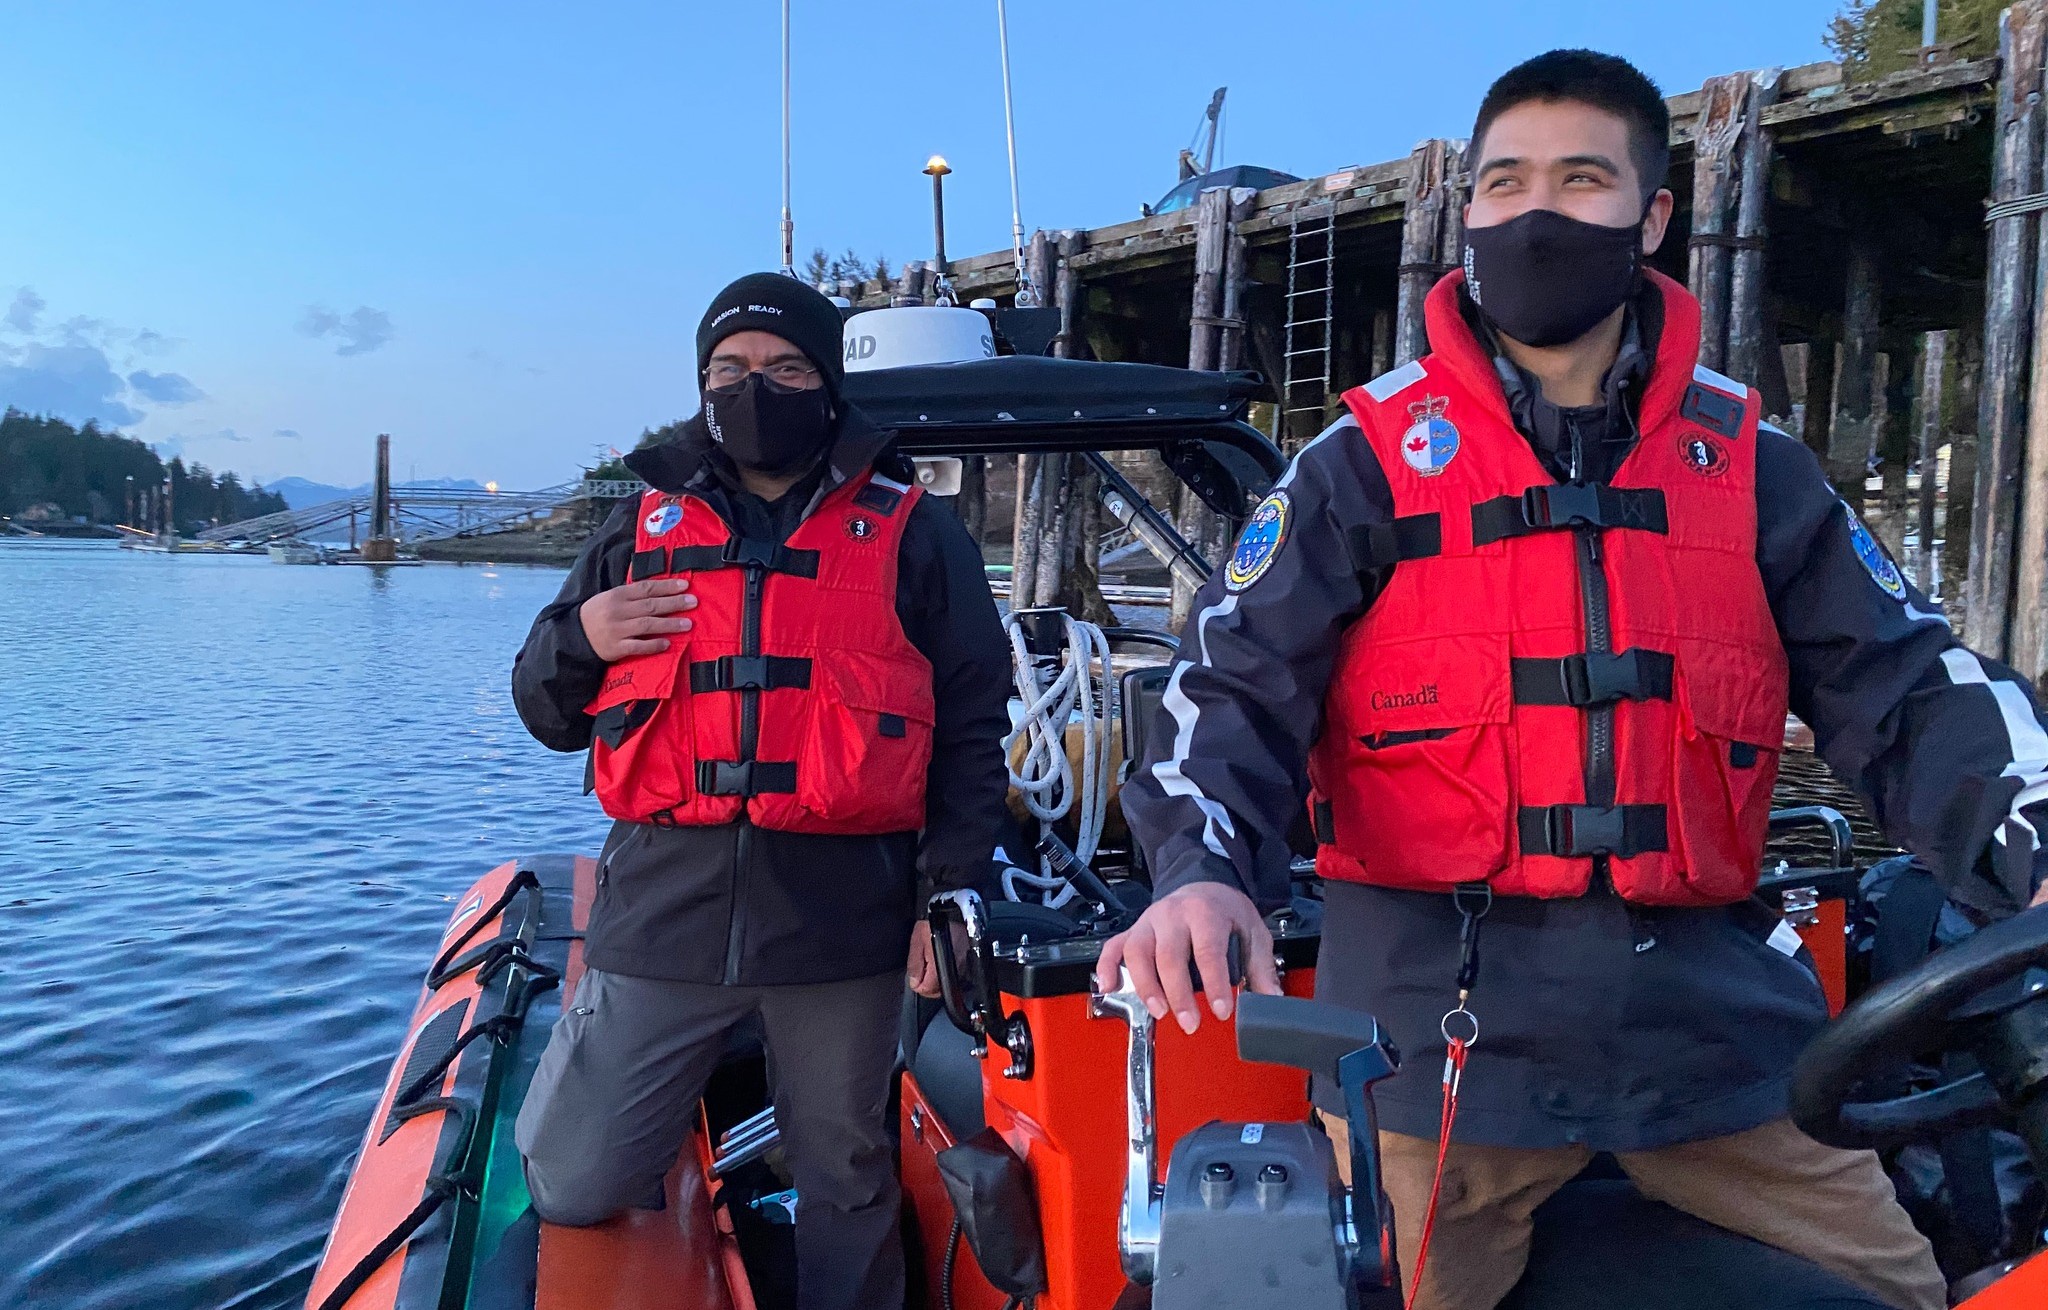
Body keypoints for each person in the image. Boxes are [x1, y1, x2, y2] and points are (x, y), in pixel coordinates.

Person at [1101, 50, 2048, 1310]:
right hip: (1435, 1052)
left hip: (1716, 1041)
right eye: (1504, 182)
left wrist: (2030, 837)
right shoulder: (1355, 465)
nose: (1535, 213)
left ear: (1649, 218)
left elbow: (1912, 688)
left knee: (1912, 1286)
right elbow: (1225, 689)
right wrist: (1199, 870)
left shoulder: (1753, 468)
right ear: (1467, 213)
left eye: (1579, 179)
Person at [509, 272, 1011, 1310]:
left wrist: (946, 892)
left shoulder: (917, 531)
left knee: (846, 1172)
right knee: (571, 1176)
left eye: (785, 368)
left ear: (828, 383)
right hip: (663, 911)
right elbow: (545, 711)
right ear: (701, 385)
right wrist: (581, 636)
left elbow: (970, 727)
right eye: (728, 369)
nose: (754, 388)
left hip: (842, 925)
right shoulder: (637, 529)